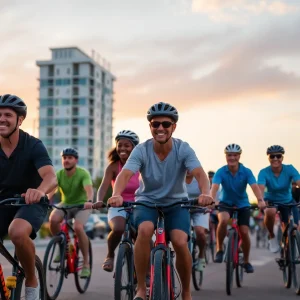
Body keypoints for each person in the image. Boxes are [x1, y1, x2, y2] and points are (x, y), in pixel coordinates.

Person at [107, 102, 213, 300]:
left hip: (176, 203)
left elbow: (199, 173)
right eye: (155, 124)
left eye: (166, 124)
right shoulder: (141, 150)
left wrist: (206, 193)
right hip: (147, 201)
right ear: (150, 127)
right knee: (145, 231)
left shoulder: (183, 148)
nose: (160, 128)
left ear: (173, 126)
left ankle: (187, 293)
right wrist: (117, 194)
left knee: (180, 242)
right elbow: (125, 174)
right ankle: (140, 288)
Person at [0, 94, 57, 300]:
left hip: (31, 201)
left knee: (17, 232)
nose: (2, 119)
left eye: (7, 115)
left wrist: (40, 191)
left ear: (20, 120)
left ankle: (32, 278)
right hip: (3, 202)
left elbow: (51, 177)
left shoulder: (33, 145)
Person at [85, 130, 140, 272]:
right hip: (118, 205)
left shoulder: (141, 165)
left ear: (134, 147)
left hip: (139, 206)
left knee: (143, 239)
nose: (122, 148)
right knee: (118, 228)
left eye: (127, 145)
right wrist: (99, 200)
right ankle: (110, 255)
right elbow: (103, 185)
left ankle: (146, 272)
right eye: (119, 145)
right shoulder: (114, 166)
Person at [210, 143, 265, 273]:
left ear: (239, 156)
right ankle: (220, 249)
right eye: (229, 155)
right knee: (223, 220)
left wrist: (260, 200)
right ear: (226, 156)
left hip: (242, 204)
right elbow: (215, 187)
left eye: (235, 155)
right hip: (225, 202)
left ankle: (246, 261)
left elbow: (254, 186)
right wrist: (211, 199)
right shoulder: (221, 171)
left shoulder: (246, 171)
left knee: (244, 232)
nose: (232, 158)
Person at [48, 147, 94, 278]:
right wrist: (46, 198)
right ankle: (61, 246)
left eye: (70, 158)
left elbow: (89, 189)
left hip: (82, 205)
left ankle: (86, 264)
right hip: (66, 204)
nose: (66, 160)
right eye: (64, 158)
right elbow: (52, 189)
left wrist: (90, 200)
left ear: (76, 160)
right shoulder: (59, 174)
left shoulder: (83, 173)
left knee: (78, 227)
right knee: (53, 219)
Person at [258, 145, 300, 253]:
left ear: (282, 158)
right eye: (272, 156)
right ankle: (271, 236)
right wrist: (260, 200)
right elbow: (260, 189)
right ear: (269, 158)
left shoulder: (290, 169)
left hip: (287, 201)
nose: (275, 158)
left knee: (290, 226)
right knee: (270, 211)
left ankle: (288, 249)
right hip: (271, 201)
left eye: (278, 156)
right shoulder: (264, 172)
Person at [186, 171, 209, 272]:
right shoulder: (177, 177)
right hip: (184, 209)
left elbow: (207, 193)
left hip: (200, 210)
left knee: (200, 232)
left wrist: (207, 203)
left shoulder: (200, 178)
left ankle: (201, 256)